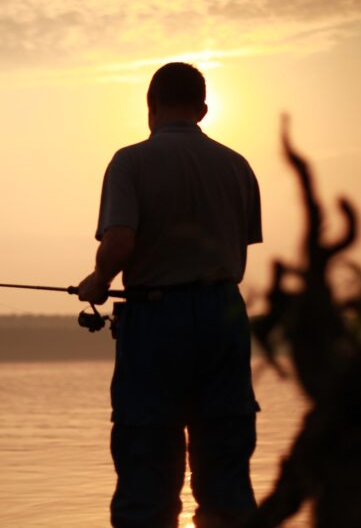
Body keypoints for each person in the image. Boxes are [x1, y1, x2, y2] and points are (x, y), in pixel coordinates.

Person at [75, 62, 263, 527]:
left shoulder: (131, 161)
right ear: (203, 109)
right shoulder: (238, 166)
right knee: (225, 471)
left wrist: (98, 281)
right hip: (224, 317)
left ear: (150, 106)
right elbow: (237, 250)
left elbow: (119, 242)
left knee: (148, 473)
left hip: (156, 319)